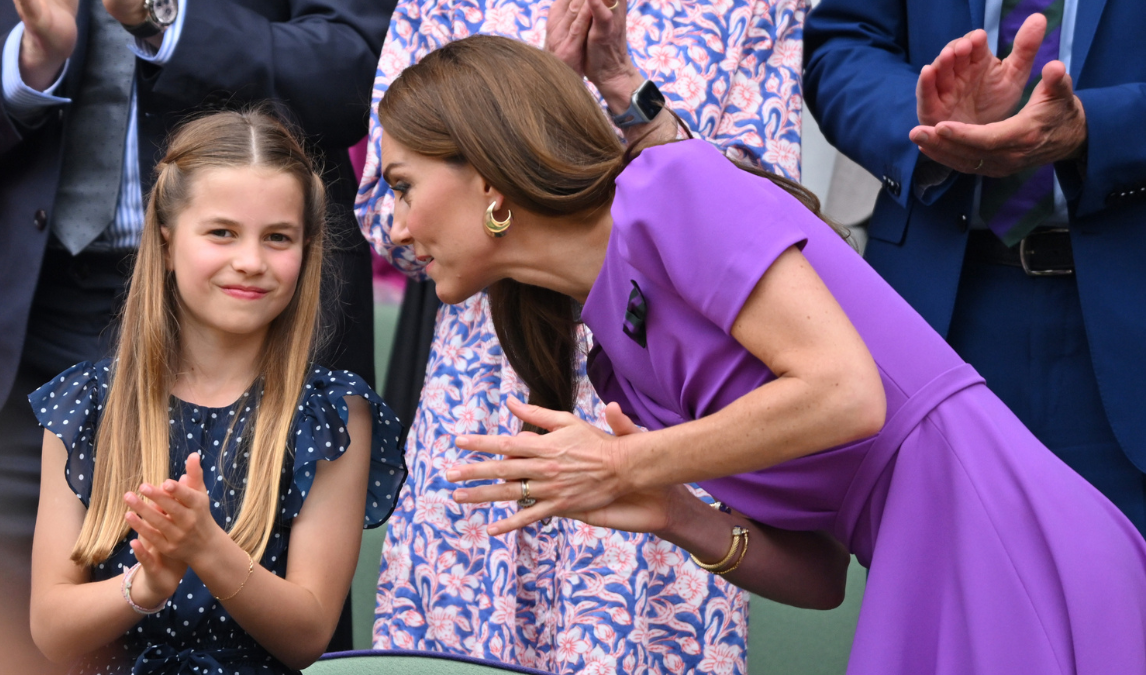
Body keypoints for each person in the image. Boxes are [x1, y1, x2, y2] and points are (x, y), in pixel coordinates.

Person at [380, 35, 1146, 673]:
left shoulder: (670, 187)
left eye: (403, 185)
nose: (397, 228)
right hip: (918, 576)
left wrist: (629, 465)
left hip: (1004, 543)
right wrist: (675, 512)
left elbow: (848, 393)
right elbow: (819, 576)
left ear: (485, 177)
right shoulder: (618, 354)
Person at [355, 0, 806, 670]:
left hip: (660, 401)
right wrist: (522, 120)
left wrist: (622, 98)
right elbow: (387, 222)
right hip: (485, 388)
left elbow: (768, 210)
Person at [0, 0, 392, 660]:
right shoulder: (71, 401)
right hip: (18, 336)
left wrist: (162, 18)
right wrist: (29, 62)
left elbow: (356, 68)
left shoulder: (326, 410)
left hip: (254, 335)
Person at [28, 110, 406, 674]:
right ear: (166, 237)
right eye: (222, 232)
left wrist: (207, 548)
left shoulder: (332, 414)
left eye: (278, 238)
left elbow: (308, 632)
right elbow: (51, 629)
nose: (250, 262)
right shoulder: (87, 402)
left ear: (307, 251)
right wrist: (145, 585)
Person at [803, 1, 1146, 536]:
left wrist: (1095, 130)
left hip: (1127, 318)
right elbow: (844, 43)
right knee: (943, 605)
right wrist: (927, 127)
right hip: (936, 318)